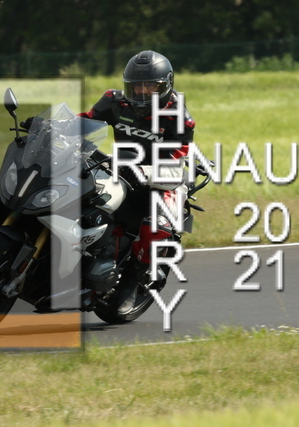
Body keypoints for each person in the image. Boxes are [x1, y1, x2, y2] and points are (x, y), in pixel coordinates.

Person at [78, 50, 196, 315]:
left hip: (165, 179)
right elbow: (86, 121)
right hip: (121, 169)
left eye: (150, 86)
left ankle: (130, 284)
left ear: (166, 86)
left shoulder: (179, 118)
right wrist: (52, 126)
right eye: (136, 86)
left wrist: (144, 171)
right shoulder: (114, 101)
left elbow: (176, 163)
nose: (142, 92)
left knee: (157, 226)